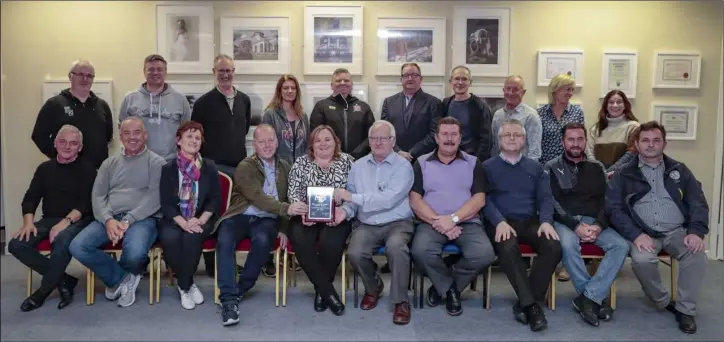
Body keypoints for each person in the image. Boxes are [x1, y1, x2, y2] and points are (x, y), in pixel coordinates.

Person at [605, 121, 709, 334]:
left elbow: (697, 202)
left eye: (656, 140)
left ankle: (686, 310)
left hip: (676, 231)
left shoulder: (680, 170)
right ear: (637, 143)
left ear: (664, 143)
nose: (650, 145)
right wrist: (635, 235)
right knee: (643, 260)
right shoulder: (624, 174)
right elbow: (614, 209)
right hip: (643, 233)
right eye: (645, 140)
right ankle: (662, 300)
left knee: (697, 254)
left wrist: (696, 232)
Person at [214, 124, 307, 326]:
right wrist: (286, 209)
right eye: (262, 141)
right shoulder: (245, 166)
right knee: (225, 239)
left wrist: (283, 228)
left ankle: (240, 289)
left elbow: (288, 196)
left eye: (270, 140)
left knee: (264, 241)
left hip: (267, 219)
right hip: (240, 214)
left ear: (277, 142)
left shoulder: (285, 166)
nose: (267, 145)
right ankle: (229, 300)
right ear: (254, 144)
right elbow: (257, 197)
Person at [69, 117, 166, 308]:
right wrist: (108, 220)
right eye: (126, 133)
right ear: (120, 137)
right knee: (78, 246)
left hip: (143, 219)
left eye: (137, 132)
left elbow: (155, 197)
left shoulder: (157, 163)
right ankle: (122, 280)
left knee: (135, 253)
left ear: (145, 135)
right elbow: (97, 196)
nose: (132, 137)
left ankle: (118, 279)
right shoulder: (108, 164)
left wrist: (128, 220)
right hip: (110, 218)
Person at [409, 117, 496, 317]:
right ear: (437, 138)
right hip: (430, 223)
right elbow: (415, 199)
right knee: (421, 250)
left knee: (484, 254)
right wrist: (439, 222)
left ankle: (441, 288)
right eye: (445, 134)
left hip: (467, 222)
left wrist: (454, 219)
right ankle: (450, 291)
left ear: (460, 137)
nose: (449, 139)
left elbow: (479, 199)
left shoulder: (473, 163)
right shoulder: (421, 163)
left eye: (454, 134)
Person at [545, 122, 629, 327]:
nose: (575, 143)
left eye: (580, 139)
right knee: (566, 244)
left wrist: (599, 225)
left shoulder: (597, 167)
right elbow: (552, 204)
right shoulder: (551, 167)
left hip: (594, 221)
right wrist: (576, 226)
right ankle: (592, 298)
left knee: (621, 245)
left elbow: (607, 201)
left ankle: (588, 298)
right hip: (566, 222)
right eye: (571, 139)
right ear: (563, 142)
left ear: (585, 141)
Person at [481, 119, 561, 332]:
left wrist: (546, 221)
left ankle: (526, 301)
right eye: (507, 135)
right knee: (508, 247)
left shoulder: (536, 168)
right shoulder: (487, 167)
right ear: (499, 140)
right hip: (501, 223)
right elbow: (484, 200)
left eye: (517, 135)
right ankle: (532, 307)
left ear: (525, 140)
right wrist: (499, 222)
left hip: (530, 221)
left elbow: (545, 198)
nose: (512, 139)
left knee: (553, 245)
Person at [9, 125, 97, 311]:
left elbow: (86, 204)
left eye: (73, 143)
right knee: (16, 244)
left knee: (61, 240)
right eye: (62, 142)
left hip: (78, 220)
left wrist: (65, 222)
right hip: (48, 219)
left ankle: (42, 292)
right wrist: (28, 223)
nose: (67, 146)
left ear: (80, 147)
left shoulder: (88, 169)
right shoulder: (44, 169)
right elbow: (31, 198)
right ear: (55, 144)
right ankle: (64, 280)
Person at [340, 120, 415, 325]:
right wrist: (344, 212)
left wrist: (351, 198)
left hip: (397, 222)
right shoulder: (358, 166)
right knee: (355, 252)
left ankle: (400, 301)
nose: (378, 142)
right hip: (367, 223)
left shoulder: (404, 166)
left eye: (383, 138)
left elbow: (389, 199)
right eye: (374, 138)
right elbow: (352, 200)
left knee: (397, 249)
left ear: (393, 141)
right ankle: (373, 287)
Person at [287, 125, 355, 316]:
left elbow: (355, 194)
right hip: (306, 216)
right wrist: (302, 211)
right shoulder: (300, 163)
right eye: (318, 140)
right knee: (301, 242)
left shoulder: (348, 162)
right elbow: (292, 193)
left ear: (336, 142)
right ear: (311, 145)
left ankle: (321, 292)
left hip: (337, 216)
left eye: (327, 139)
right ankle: (327, 291)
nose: (323, 144)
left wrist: (343, 211)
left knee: (330, 242)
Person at [159, 121, 221, 310]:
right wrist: (182, 222)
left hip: (202, 218)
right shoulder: (168, 168)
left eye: (197, 138)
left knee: (192, 237)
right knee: (170, 238)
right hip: (175, 218)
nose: (194, 141)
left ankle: (183, 285)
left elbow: (215, 199)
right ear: (178, 140)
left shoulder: (209, 166)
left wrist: (199, 219)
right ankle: (187, 284)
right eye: (189, 136)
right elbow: (166, 204)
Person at [31, 59, 113, 169]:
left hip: (98, 173)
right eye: (80, 74)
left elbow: (107, 137)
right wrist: (59, 156)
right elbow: (38, 136)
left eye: (89, 76)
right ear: (70, 76)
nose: (85, 79)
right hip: (65, 172)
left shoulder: (103, 106)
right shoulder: (54, 104)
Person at [118, 54, 192, 162]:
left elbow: (186, 133)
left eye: (159, 69)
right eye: (151, 69)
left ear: (165, 72)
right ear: (144, 72)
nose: (155, 73)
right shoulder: (130, 99)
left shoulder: (180, 100)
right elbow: (122, 130)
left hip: (170, 163)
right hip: (138, 161)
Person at [191, 54, 252, 177]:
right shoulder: (202, 103)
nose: (225, 75)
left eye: (228, 71)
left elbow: (244, 130)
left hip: (240, 167)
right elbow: (195, 137)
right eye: (221, 71)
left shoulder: (244, 100)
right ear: (214, 72)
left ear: (234, 72)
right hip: (214, 168)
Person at [309, 68, 375, 160]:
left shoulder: (364, 107)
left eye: (346, 80)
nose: (342, 83)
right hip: (330, 160)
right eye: (338, 80)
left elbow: (372, 134)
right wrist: (335, 154)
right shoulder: (321, 106)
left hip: (359, 160)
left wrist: (356, 154)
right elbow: (315, 135)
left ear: (351, 85)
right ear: (331, 85)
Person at [380, 63, 441, 162]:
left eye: (414, 75)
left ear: (421, 79)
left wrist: (412, 153)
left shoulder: (433, 102)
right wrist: (398, 151)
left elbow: (434, 133)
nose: (410, 78)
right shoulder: (389, 102)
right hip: (394, 158)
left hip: (423, 159)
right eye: (406, 75)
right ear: (401, 79)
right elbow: (384, 131)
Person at [439, 65, 494, 162]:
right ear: (451, 81)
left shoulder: (480, 106)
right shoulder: (445, 103)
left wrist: (477, 162)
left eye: (464, 79)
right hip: (449, 159)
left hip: (472, 159)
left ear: (470, 82)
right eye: (457, 79)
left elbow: (486, 139)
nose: (460, 83)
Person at [538, 73, 591, 166]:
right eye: (567, 89)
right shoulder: (540, 114)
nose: (570, 93)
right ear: (555, 90)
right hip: (546, 167)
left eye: (572, 90)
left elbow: (582, 142)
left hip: (570, 167)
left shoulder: (577, 113)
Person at [491, 75, 542, 161]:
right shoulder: (497, 115)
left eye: (515, 90)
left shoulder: (531, 116)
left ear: (523, 92)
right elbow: (495, 146)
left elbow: (535, 151)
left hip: (523, 169)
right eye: (508, 89)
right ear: (503, 91)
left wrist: (530, 171)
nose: (511, 93)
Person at [262, 74, 309, 165]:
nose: (290, 91)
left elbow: (307, 145)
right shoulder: (271, 114)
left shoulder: (303, 116)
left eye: (293, 88)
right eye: (286, 88)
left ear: (297, 91)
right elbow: (265, 146)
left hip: (301, 169)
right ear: (280, 91)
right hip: (279, 169)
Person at [588, 90, 640, 170]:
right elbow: (589, 153)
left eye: (619, 102)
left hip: (623, 176)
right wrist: (599, 171)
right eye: (611, 102)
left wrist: (611, 171)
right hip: (598, 176)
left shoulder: (633, 127)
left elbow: (631, 154)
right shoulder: (596, 129)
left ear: (625, 105)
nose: (615, 105)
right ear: (606, 105)